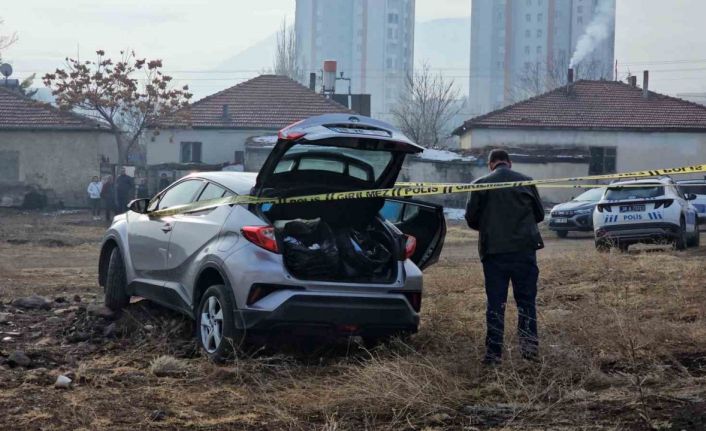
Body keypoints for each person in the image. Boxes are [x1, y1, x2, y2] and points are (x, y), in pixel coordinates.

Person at [465, 149, 545, 365]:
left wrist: (491, 226)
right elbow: (539, 214)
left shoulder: (480, 184)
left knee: (495, 304)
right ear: (509, 163)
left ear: (490, 164)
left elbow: (471, 219)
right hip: (524, 251)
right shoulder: (526, 181)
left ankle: (493, 355)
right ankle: (529, 351)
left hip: (494, 253)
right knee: (526, 302)